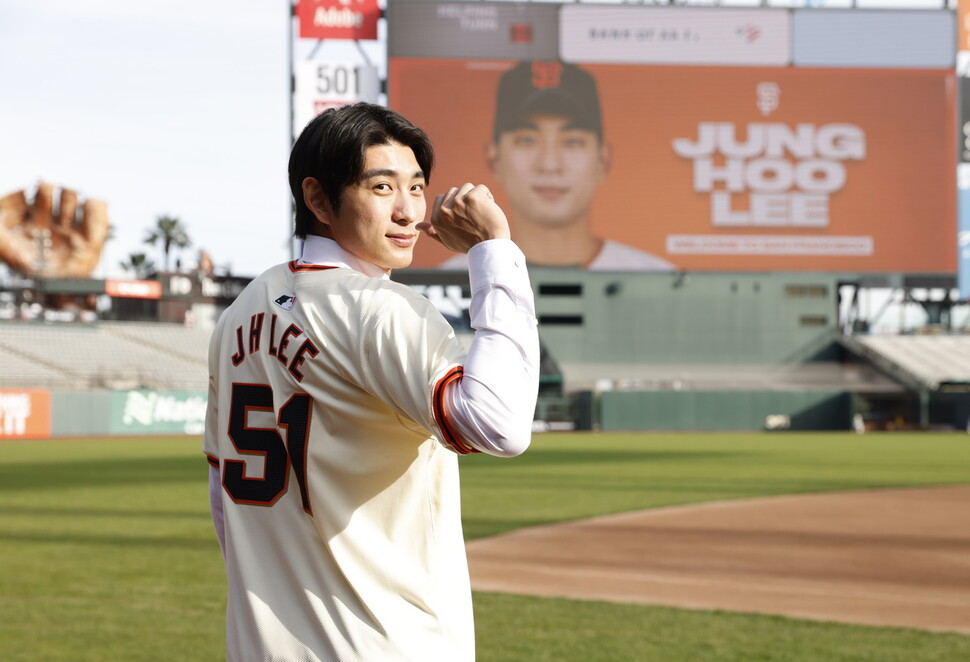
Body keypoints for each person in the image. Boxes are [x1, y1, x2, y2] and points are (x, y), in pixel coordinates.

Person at [203, 102, 539, 661]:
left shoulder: (240, 311)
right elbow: (500, 426)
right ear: (317, 199)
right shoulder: (381, 310)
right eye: (382, 188)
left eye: (416, 186)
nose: (409, 211)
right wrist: (495, 251)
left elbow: (223, 500)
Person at [440, 60, 674, 271]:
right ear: (494, 159)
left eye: (572, 141)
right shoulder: (454, 279)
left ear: (603, 160)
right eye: (527, 140)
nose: (550, 165)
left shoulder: (656, 277)